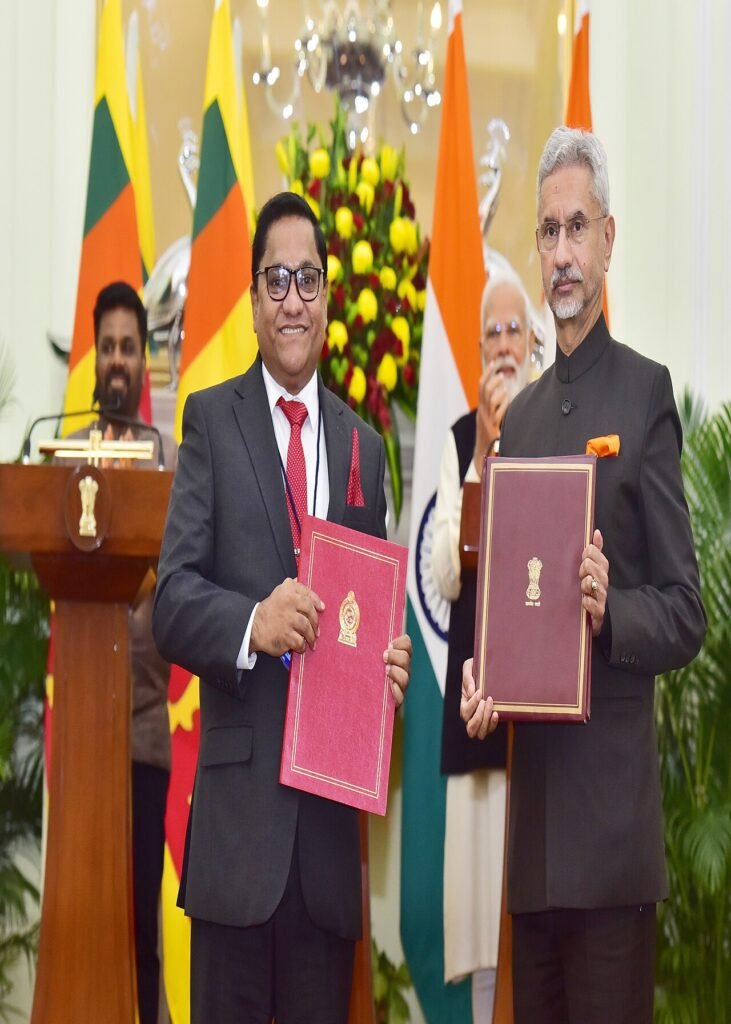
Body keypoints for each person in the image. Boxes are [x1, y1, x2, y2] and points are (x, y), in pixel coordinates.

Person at [461, 127, 706, 1024]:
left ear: (609, 239)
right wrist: (482, 683)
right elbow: (505, 611)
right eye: (548, 233)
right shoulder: (516, 424)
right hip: (533, 853)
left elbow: (684, 612)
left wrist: (610, 612)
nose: (560, 255)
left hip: (608, 848)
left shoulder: (645, 394)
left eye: (577, 229)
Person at [151, 191, 411, 1024]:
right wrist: (251, 624)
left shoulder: (366, 446)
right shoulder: (210, 423)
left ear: (329, 295)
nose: (292, 298)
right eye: (276, 280)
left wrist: (388, 669)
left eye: (308, 279)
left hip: (328, 861)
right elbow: (174, 602)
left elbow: (365, 619)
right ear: (256, 297)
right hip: (235, 856)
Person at [72, 281, 177, 1024]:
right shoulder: (64, 454)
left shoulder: (169, 461)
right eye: (106, 348)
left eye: (127, 348)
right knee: (84, 928)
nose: (116, 361)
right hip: (79, 734)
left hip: (141, 732)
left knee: (139, 930)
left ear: (145, 361)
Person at [432, 268, 535, 1018]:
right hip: (475, 713)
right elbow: (442, 573)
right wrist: (482, 456)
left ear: (534, 345)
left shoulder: (561, 427)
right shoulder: (459, 439)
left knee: (536, 931)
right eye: (490, 333)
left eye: (513, 330)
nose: (502, 344)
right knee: (483, 948)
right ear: (475, 353)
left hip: (540, 719)